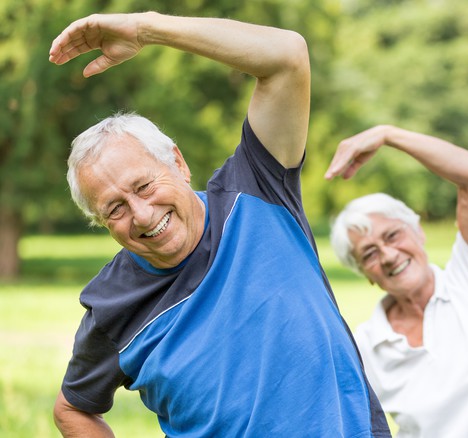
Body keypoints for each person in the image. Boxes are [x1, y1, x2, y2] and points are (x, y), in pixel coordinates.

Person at [49, 12, 390, 437]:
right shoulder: (111, 307)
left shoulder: (258, 188)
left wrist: (146, 28)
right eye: (114, 209)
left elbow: (287, 56)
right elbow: (73, 409)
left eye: (144, 185)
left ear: (177, 162)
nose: (141, 214)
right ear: (100, 221)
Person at [326, 125, 468, 438]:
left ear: (418, 232)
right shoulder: (367, 346)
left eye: (393, 235)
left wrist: (387, 135)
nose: (390, 255)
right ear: (365, 273)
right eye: (370, 254)